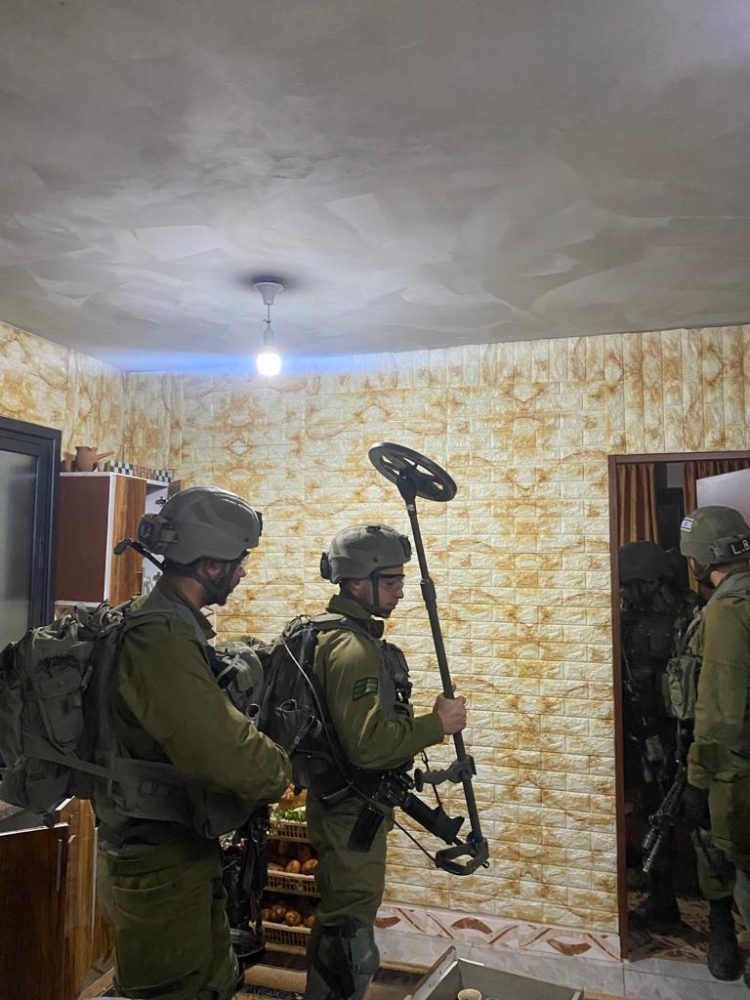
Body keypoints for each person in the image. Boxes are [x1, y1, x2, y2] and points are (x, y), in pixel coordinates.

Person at [95, 487, 291, 1000]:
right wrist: (280, 773)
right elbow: (218, 749)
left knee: (210, 981)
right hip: (156, 861)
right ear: (209, 566)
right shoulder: (160, 637)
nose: (242, 572)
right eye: (238, 561)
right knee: (173, 990)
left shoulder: (170, 623)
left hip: (175, 849)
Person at [302, 524, 467, 1000]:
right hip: (349, 814)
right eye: (391, 581)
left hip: (353, 809)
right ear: (357, 582)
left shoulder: (336, 634)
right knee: (348, 939)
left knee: (347, 927)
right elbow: (368, 747)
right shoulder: (352, 649)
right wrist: (437, 724)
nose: (400, 592)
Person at [679, 505, 750, 982]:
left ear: (701, 560)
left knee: (742, 868)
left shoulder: (727, 609)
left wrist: (698, 778)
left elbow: (721, 708)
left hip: (736, 765)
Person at [618, 540, 702, 930]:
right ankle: (663, 902)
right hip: (645, 735)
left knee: (707, 829)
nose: (623, 592)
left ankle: (720, 914)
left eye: (629, 585)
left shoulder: (691, 616)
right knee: (655, 818)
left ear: (651, 582)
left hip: (688, 736)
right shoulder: (626, 616)